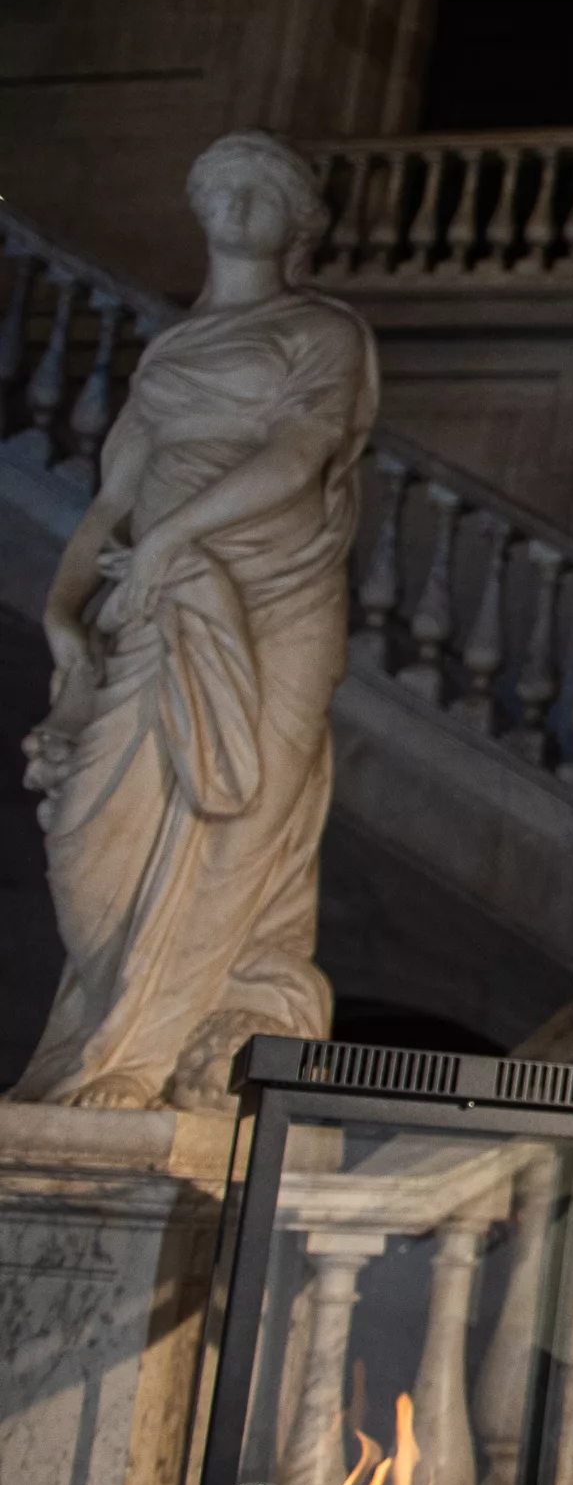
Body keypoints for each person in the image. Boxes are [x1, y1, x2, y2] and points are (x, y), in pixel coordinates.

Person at [17, 130, 378, 1107]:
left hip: (276, 597)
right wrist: (61, 618)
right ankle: (102, 1032)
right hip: (151, 600)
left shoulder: (324, 334)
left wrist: (176, 538)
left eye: (265, 186)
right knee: (87, 843)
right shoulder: (170, 351)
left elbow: (299, 456)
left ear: (299, 223)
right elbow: (105, 507)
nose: (239, 199)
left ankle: (145, 1057)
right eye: (221, 184)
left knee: (234, 826)